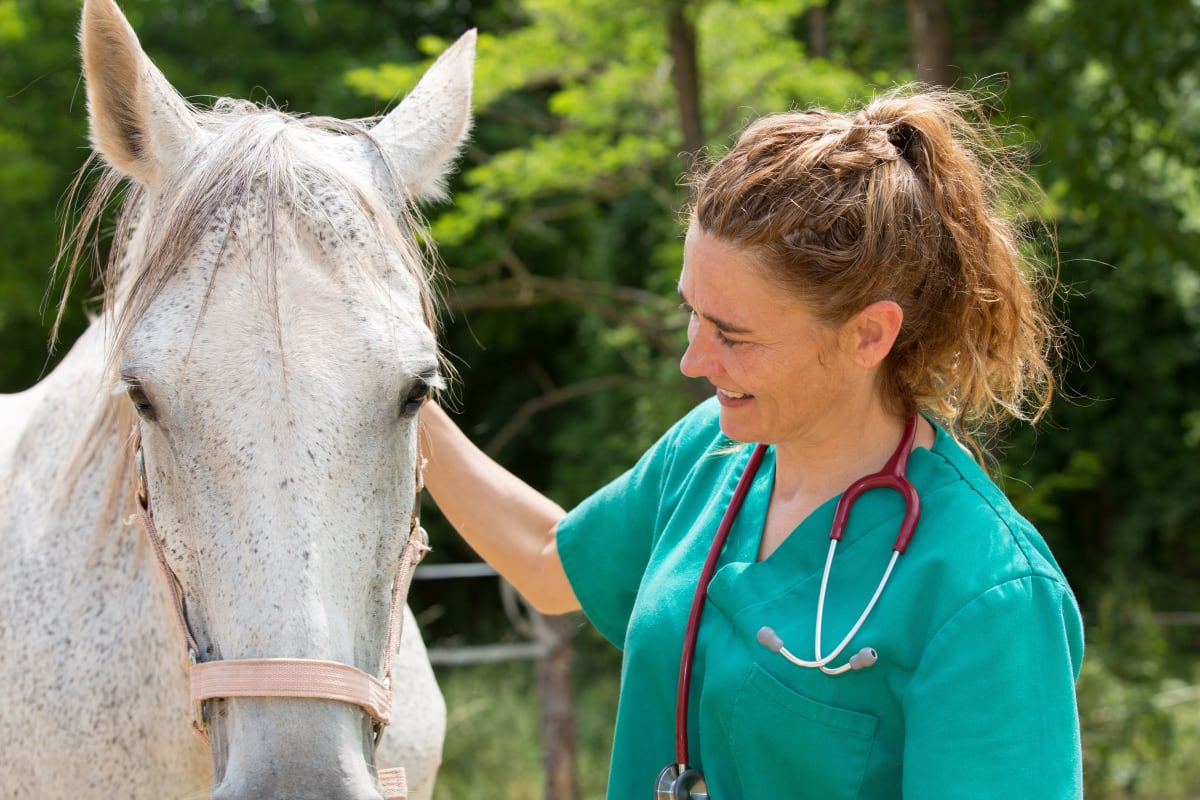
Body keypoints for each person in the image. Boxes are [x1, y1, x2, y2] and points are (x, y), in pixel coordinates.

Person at [419, 84, 1084, 799]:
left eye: (734, 335)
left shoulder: (987, 595)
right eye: (692, 314)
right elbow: (548, 564)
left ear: (869, 334)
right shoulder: (712, 451)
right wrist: (399, 399)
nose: (694, 360)